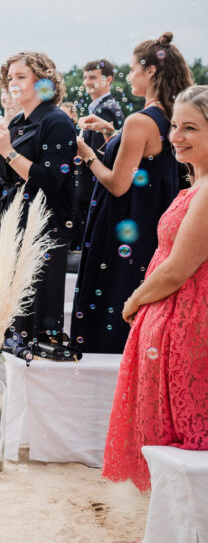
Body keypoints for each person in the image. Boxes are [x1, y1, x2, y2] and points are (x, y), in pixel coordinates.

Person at [102, 84, 208, 492]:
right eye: (176, 126)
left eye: (191, 128)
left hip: (186, 321)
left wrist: (134, 299)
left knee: (184, 431)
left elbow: (179, 269)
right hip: (168, 318)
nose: (177, 137)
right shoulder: (194, 185)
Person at [70, 35, 191, 354]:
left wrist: (88, 155)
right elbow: (150, 161)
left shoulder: (139, 121)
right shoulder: (168, 116)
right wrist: (113, 133)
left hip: (121, 224)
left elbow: (117, 183)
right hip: (150, 225)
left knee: (111, 296)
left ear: (150, 71)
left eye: (133, 69)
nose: (128, 76)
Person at [0, 52, 78, 360]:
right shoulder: (18, 120)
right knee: (12, 308)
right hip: (15, 220)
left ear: (43, 82)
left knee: (35, 307)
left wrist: (7, 150)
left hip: (43, 226)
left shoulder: (56, 122)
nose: (13, 84)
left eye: (21, 77)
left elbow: (50, 178)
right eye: (10, 79)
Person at [71, 60, 126, 251]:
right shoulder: (101, 106)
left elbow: (103, 155)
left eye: (93, 77)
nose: (87, 82)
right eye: (85, 77)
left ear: (108, 79)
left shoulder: (106, 109)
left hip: (93, 188)